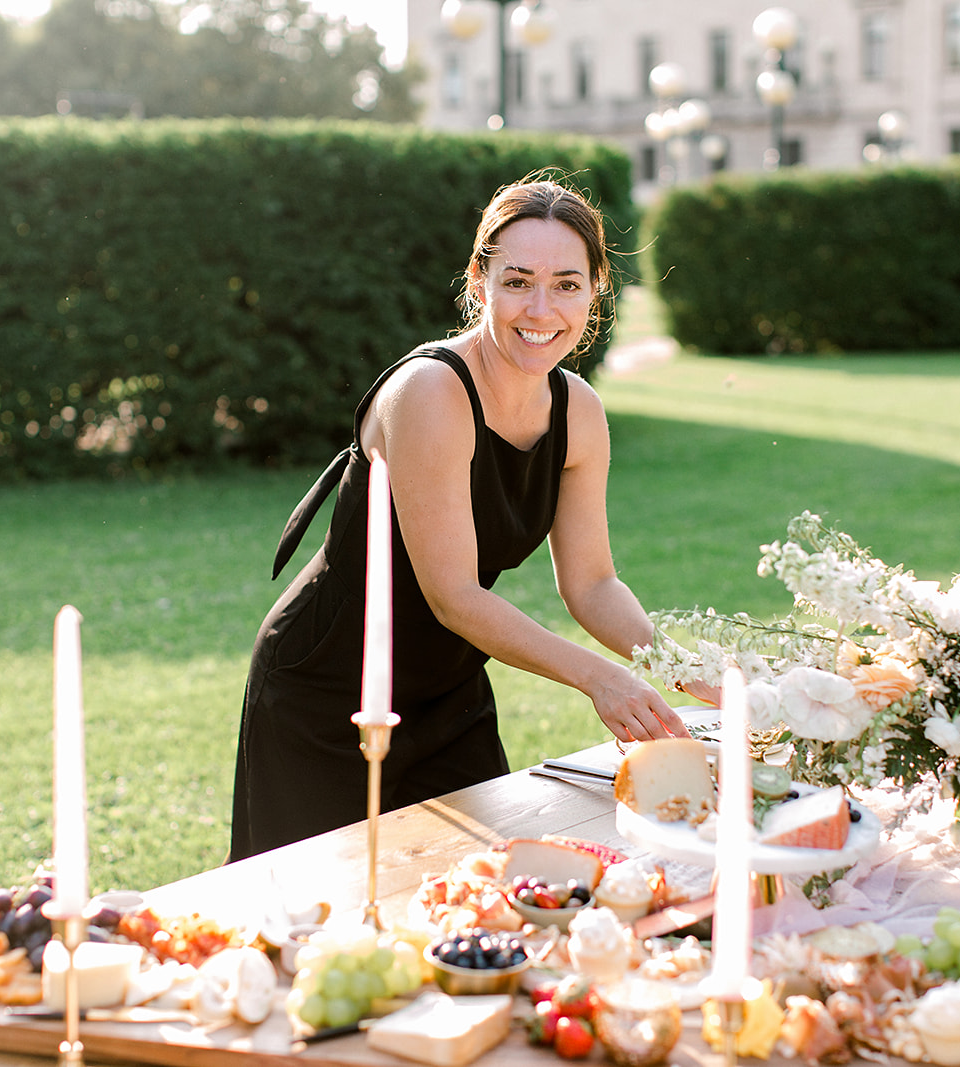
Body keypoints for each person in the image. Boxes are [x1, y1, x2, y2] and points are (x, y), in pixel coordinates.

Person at [227, 176, 695, 862]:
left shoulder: (579, 412)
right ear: (480, 282)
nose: (541, 308)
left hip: (451, 692)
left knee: (481, 894)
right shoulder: (431, 391)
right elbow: (454, 596)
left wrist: (690, 667)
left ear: (596, 290)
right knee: (316, 912)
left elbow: (592, 584)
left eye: (567, 284)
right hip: (328, 690)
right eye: (518, 282)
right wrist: (600, 677)